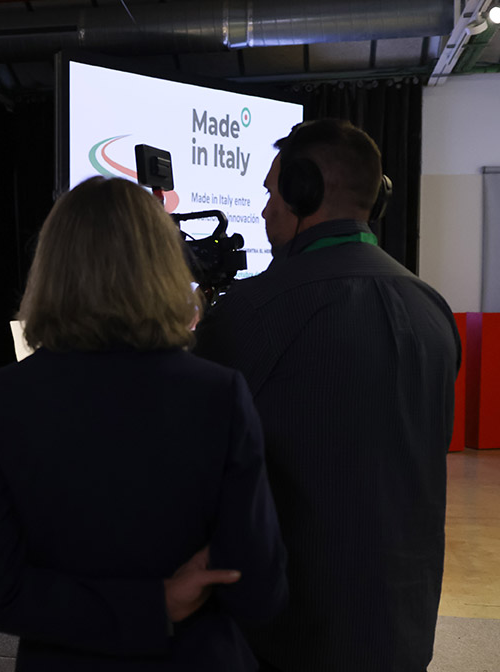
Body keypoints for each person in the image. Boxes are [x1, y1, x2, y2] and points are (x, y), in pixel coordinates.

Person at [0, 176, 288, 671]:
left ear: (51, 269)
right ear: (165, 266)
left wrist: (145, 607)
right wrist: (161, 602)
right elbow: (259, 591)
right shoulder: (218, 395)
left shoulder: (2, 401)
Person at [194, 119, 462, 672]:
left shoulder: (253, 312)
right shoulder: (433, 308)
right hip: (406, 626)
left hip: (293, 635)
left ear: (303, 191)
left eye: (272, 193)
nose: (264, 210)